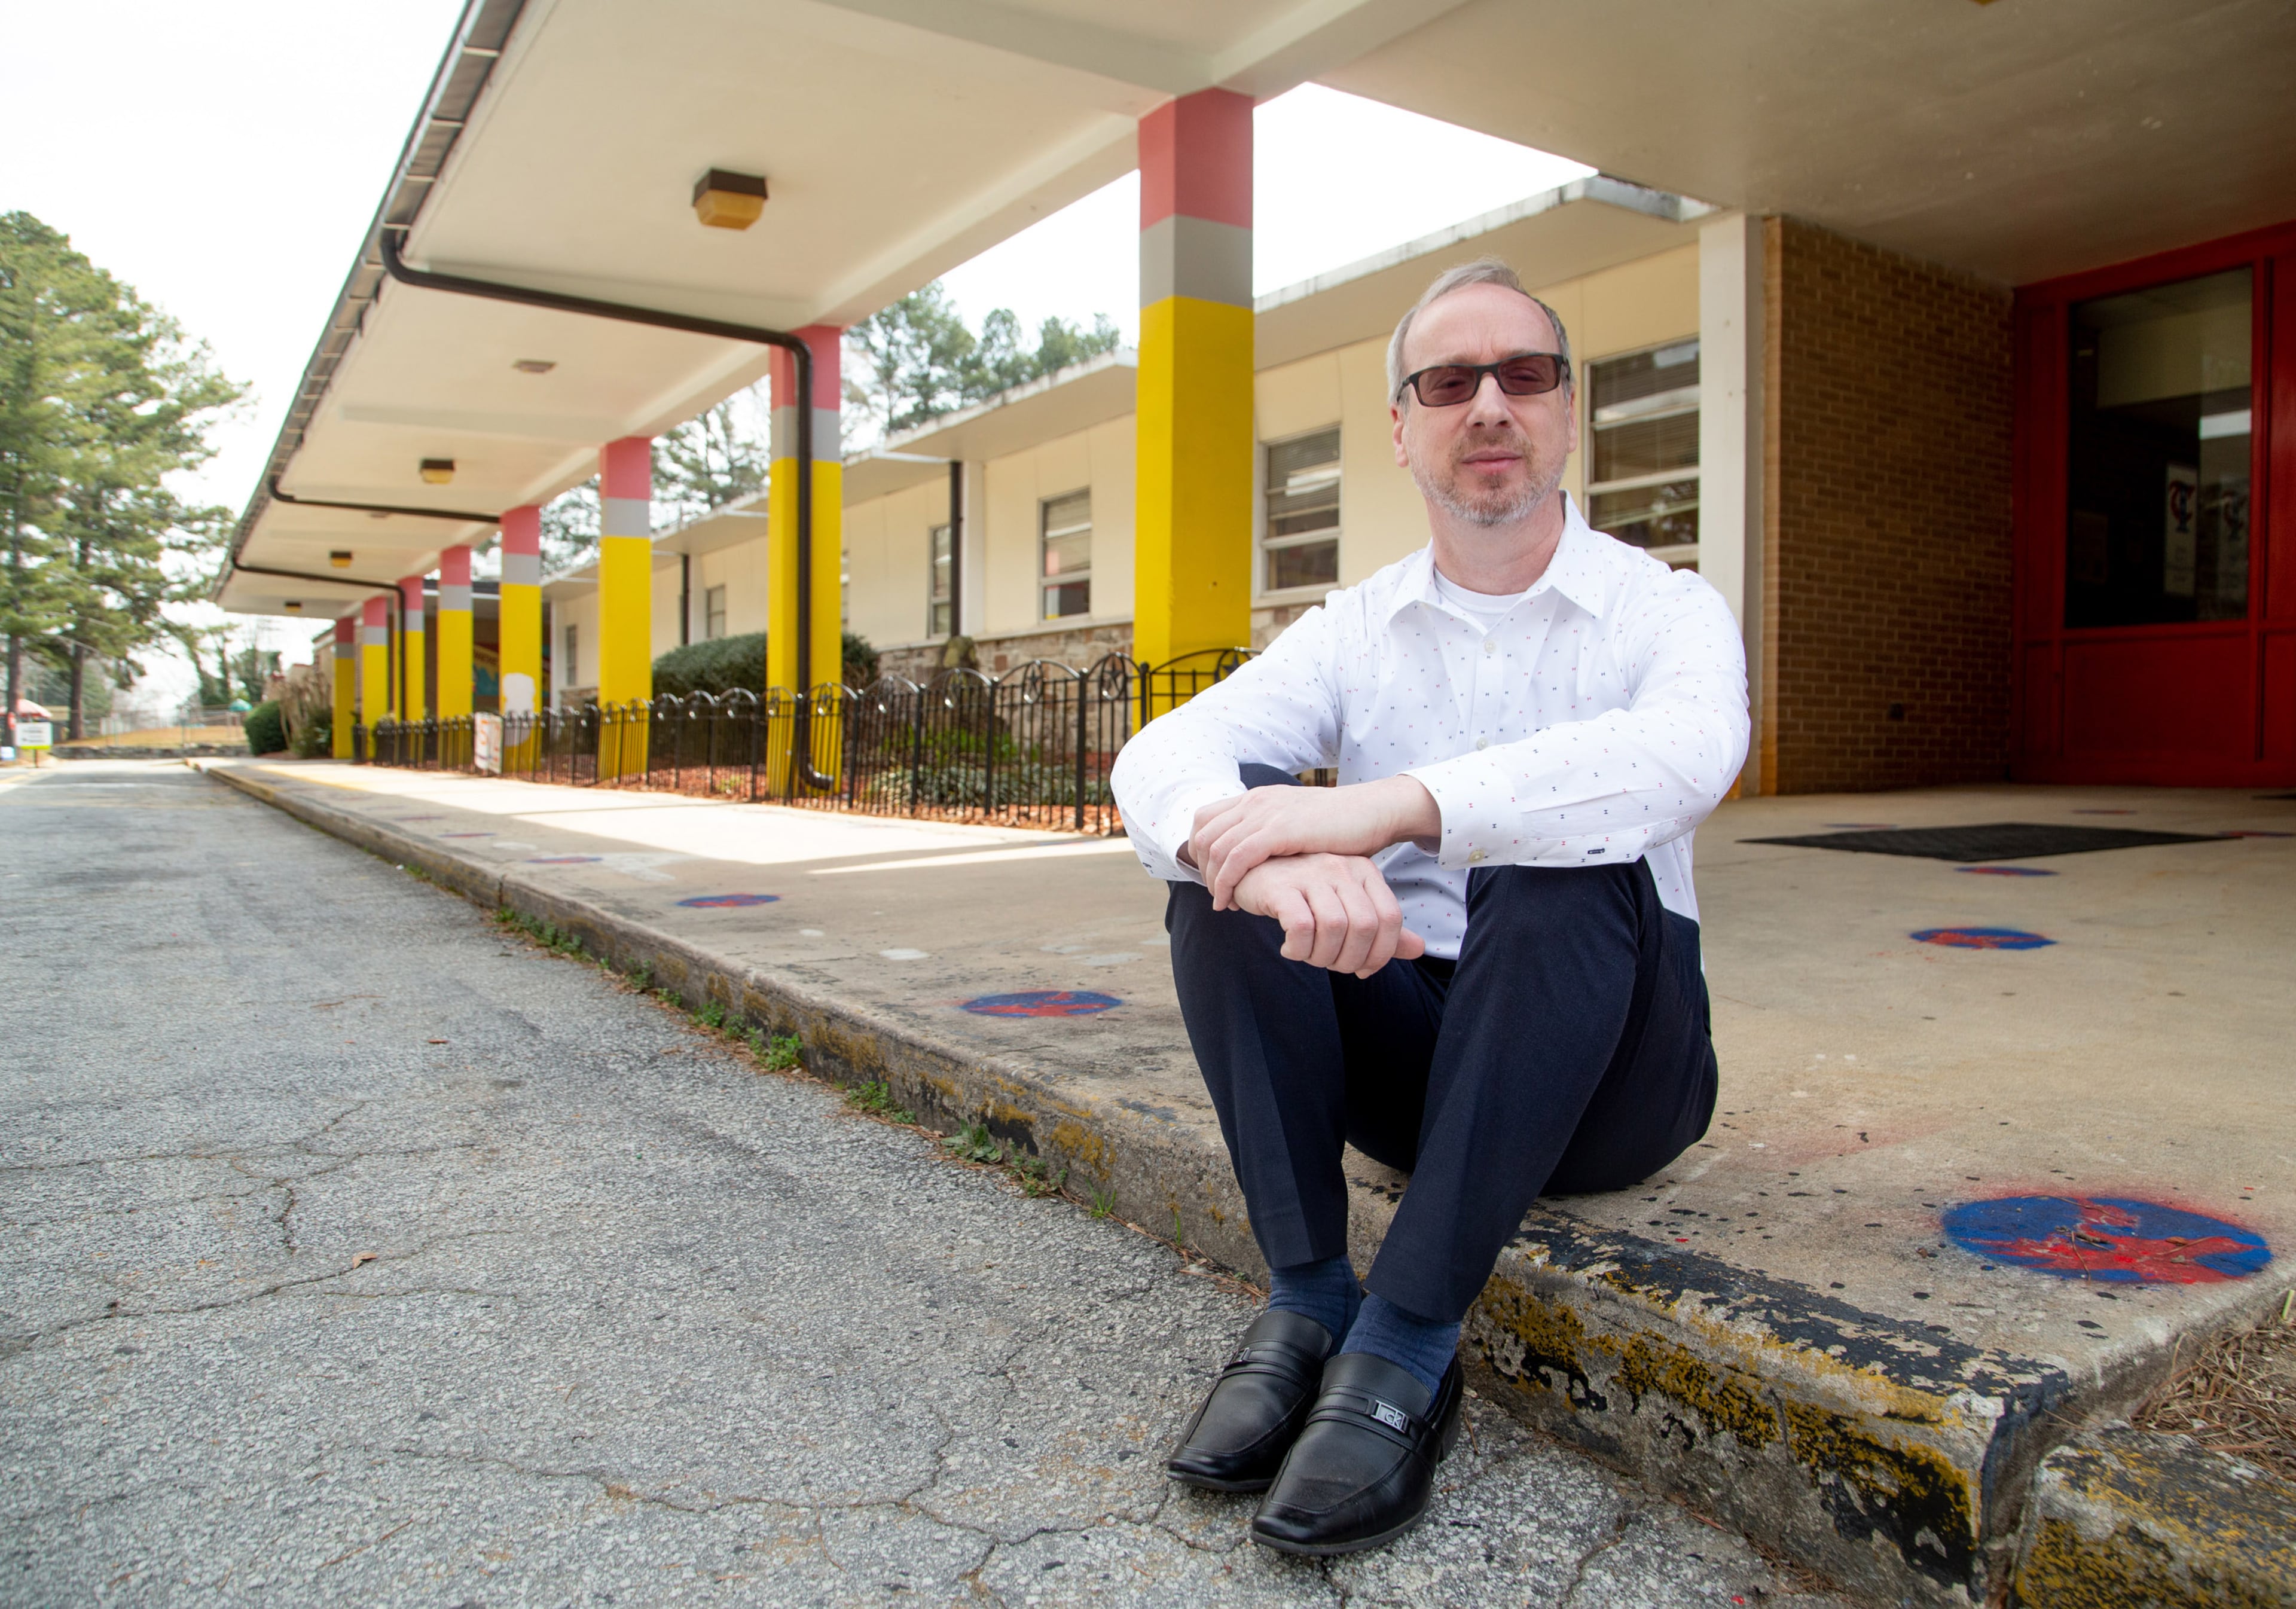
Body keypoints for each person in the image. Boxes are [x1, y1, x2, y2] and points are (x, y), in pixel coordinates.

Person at [1109, 258, 1749, 1556]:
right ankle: (1306, 1297)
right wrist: (1271, 860)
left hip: (1617, 1072)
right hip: (1420, 1067)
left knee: (1555, 853)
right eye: (1450, 381)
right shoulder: (1355, 627)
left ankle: (1406, 1337)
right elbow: (1161, 755)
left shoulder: (1666, 608)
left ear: (1568, 412)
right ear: (1404, 429)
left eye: (1524, 374)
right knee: (1218, 873)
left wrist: (1382, 806)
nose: (1490, 405)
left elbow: (1684, 757)